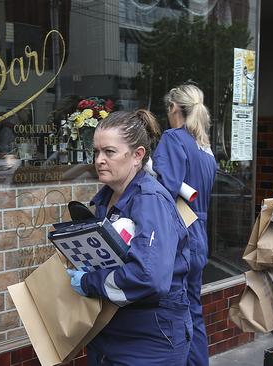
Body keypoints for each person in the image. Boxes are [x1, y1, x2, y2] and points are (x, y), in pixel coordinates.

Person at [66, 110, 193, 365]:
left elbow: (150, 277)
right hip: (111, 333)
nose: (99, 160)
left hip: (151, 339)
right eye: (97, 151)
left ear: (137, 156)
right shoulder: (106, 198)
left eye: (109, 152)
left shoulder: (150, 201)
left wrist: (90, 282)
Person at [152, 83, 216, 366]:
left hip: (180, 233)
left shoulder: (173, 138)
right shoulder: (205, 147)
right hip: (200, 232)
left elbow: (165, 187)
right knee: (194, 308)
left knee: (175, 311)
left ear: (173, 108)